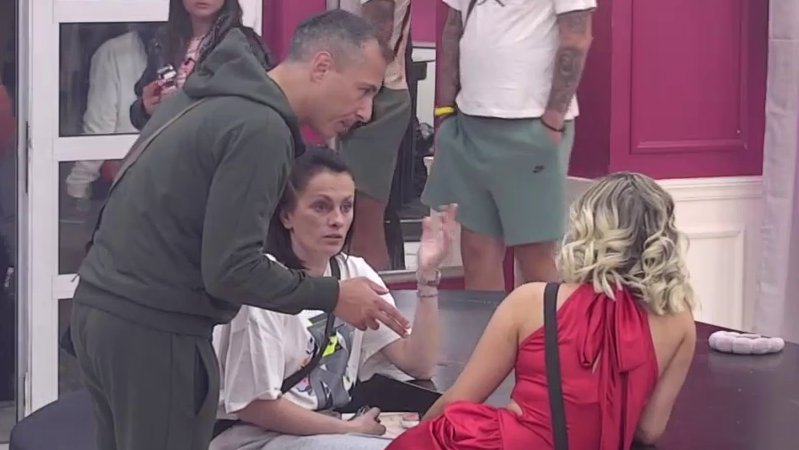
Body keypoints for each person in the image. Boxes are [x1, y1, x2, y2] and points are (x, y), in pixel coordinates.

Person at [70, 10, 409, 450]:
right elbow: (231, 269)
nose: (366, 112)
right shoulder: (260, 127)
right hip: (156, 328)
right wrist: (334, 295)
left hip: (102, 312)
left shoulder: (210, 96)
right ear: (322, 66)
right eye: (364, 91)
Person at [387, 172, 697, 450]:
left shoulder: (533, 301)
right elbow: (648, 430)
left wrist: (413, 436)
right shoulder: (679, 322)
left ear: (587, 228)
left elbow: (458, 400)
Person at [211, 148, 457, 450]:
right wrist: (348, 429)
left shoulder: (354, 271)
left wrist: (427, 277)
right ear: (286, 215)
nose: (338, 220)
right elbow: (255, 405)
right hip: (256, 438)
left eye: (346, 207)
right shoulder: (264, 285)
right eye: (321, 207)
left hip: (328, 433)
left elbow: (419, 365)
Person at [424, 0, 596, 289]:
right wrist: (444, 112)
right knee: (476, 249)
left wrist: (553, 118)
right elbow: (453, 29)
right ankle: (487, 322)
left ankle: (544, 321)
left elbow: (576, 36)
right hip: (469, 121)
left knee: (535, 255)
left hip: (532, 123)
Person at [334, 0, 412, 271]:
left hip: (377, 94)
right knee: (356, 224)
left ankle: (377, 296)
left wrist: (357, 96)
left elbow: (378, 28)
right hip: (378, 91)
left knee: (363, 225)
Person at [130, 0, 274, 130]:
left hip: (220, 145)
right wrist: (145, 108)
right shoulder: (164, 42)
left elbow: (263, 108)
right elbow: (138, 114)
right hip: (174, 145)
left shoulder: (244, 44)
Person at [64, 26, 153, 203]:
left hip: (127, 180)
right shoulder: (116, 52)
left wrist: (77, 187)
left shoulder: (113, 52)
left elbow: (100, 127)